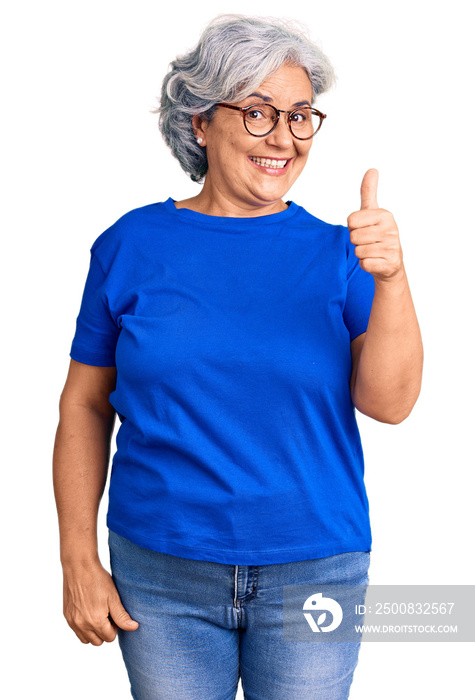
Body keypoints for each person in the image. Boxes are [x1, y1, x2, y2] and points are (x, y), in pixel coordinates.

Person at [53, 13, 423, 700]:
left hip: (316, 565)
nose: (283, 137)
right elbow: (82, 403)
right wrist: (76, 552)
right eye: (257, 113)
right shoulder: (129, 245)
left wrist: (392, 279)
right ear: (199, 122)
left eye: (300, 115)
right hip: (160, 571)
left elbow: (390, 403)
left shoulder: (340, 251)